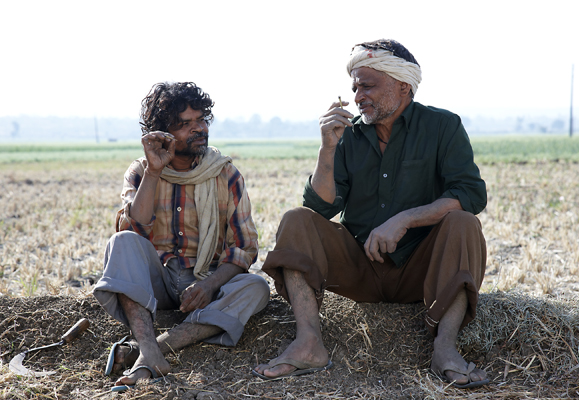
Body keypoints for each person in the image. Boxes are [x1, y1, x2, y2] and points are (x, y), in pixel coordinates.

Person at [253, 39, 489, 388]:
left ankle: (445, 346)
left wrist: (404, 219)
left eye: (368, 85)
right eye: (354, 87)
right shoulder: (349, 135)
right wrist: (328, 148)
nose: (358, 95)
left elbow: (470, 193)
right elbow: (320, 207)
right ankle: (309, 342)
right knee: (296, 219)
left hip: (419, 271)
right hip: (358, 268)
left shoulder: (442, 126)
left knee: (463, 222)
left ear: (403, 85)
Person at [93, 82, 269, 391]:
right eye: (185, 124)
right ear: (163, 133)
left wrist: (209, 284)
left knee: (255, 287)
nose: (198, 129)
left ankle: (148, 351)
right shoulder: (141, 171)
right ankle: (149, 351)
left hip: (205, 282)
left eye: (201, 120)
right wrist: (154, 171)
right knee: (120, 242)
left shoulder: (225, 173)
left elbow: (243, 248)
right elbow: (132, 232)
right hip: (156, 282)